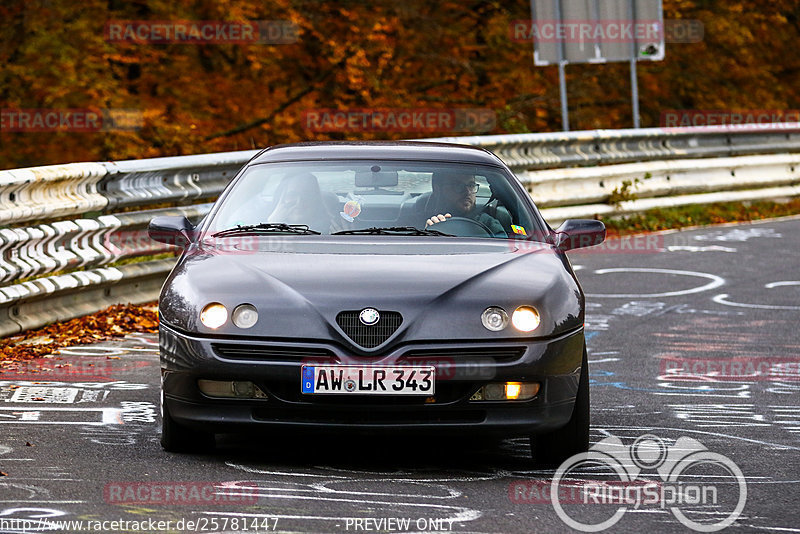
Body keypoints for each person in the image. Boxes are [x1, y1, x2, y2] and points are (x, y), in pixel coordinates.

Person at [423, 170, 506, 235]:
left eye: (471, 185)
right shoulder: (417, 222)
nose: (467, 192)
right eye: (458, 186)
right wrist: (428, 234)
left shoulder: (489, 224)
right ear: (438, 189)